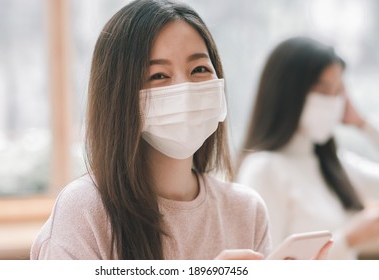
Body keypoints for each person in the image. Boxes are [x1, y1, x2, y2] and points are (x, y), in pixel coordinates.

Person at [30, 0, 272, 260]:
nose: (185, 90)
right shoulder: (84, 211)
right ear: (120, 96)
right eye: (158, 75)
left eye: (199, 69)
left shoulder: (246, 210)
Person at [236, 36, 379, 260]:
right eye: (323, 91)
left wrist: (364, 124)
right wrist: (347, 239)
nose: (332, 102)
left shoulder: (336, 165)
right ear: (288, 93)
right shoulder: (264, 169)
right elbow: (266, 266)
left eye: (338, 92)